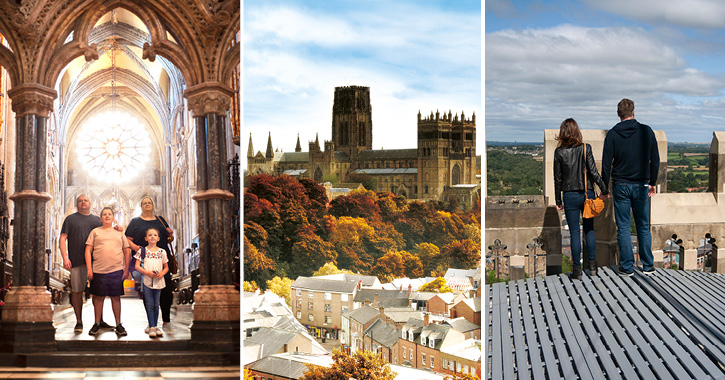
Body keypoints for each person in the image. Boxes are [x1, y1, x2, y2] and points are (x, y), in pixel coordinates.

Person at [601, 98, 660, 276]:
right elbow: (655, 160)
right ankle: (648, 266)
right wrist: (653, 182)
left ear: (618, 114)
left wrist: (605, 188)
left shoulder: (612, 134)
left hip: (620, 186)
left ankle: (627, 267)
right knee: (642, 226)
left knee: (624, 227)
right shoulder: (646, 131)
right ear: (634, 112)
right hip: (642, 184)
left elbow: (605, 164)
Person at [554, 118, 608, 280]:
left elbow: (558, 179)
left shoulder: (559, 152)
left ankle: (577, 270)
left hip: (569, 196)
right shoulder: (586, 148)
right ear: (577, 131)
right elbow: (594, 173)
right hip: (587, 194)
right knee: (589, 230)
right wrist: (604, 190)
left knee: (574, 233)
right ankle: (592, 266)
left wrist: (558, 200)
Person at [59, 194, 116, 333]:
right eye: (80, 201)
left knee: (99, 293)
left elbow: (108, 231)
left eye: (85, 201)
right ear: (77, 204)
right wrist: (65, 258)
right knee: (77, 292)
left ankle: (99, 321)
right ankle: (79, 322)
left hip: (97, 262)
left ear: (91, 204)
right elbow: (62, 238)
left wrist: (117, 228)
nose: (83, 203)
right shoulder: (70, 219)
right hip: (77, 261)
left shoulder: (97, 220)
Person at [125, 196, 175, 329]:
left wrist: (171, 234)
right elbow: (127, 239)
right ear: (141, 206)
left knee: (166, 290)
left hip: (162, 257)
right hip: (144, 260)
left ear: (153, 205)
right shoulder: (135, 221)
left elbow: (169, 238)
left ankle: (166, 320)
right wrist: (135, 247)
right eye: (144, 203)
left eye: (149, 202)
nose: (147, 204)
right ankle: (151, 322)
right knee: (148, 292)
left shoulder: (160, 220)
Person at [85, 206, 131, 336]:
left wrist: (126, 269)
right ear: (101, 218)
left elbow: (126, 251)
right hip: (98, 270)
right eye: (104, 214)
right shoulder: (95, 232)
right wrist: (89, 269)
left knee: (115, 298)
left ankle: (118, 324)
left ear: (113, 217)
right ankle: (97, 323)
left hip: (116, 270)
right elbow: (88, 250)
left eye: (109, 214)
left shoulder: (119, 232)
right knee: (98, 298)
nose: (107, 216)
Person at [134, 227, 169, 338]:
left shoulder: (162, 252)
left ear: (158, 238)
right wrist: (147, 273)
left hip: (158, 280)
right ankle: (152, 327)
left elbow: (166, 267)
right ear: (146, 238)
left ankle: (155, 325)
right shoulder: (142, 251)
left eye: (154, 235)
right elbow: (137, 266)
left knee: (156, 304)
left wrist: (162, 273)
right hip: (147, 281)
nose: (152, 237)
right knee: (149, 304)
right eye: (150, 235)